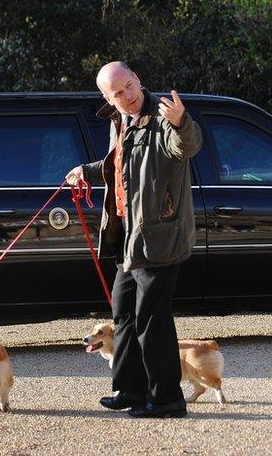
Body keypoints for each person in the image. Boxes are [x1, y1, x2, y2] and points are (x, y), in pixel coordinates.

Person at [66, 61, 202, 418]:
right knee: (122, 313)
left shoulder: (161, 118)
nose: (127, 96)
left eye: (129, 86)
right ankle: (129, 390)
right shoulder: (119, 122)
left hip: (159, 237)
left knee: (151, 319)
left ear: (137, 80)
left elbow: (185, 147)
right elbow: (120, 165)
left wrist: (181, 122)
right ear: (107, 98)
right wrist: (86, 171)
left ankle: (167, 399)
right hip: (127, 235)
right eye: (117, 93)